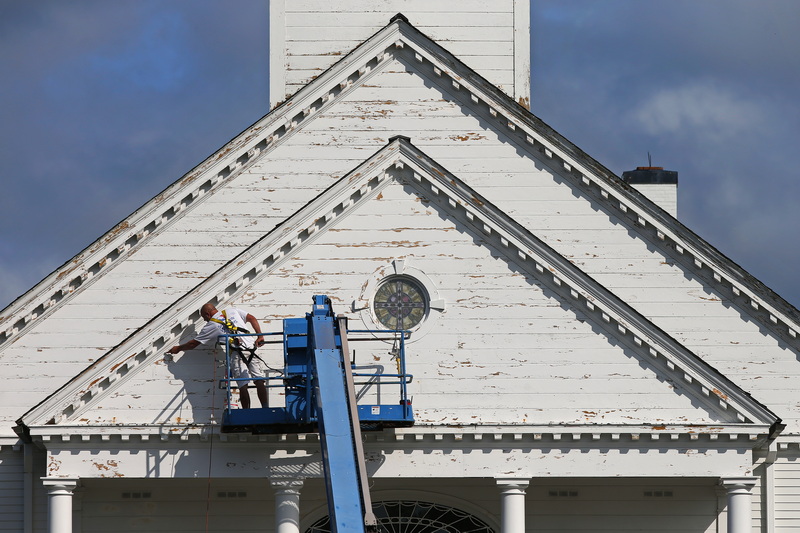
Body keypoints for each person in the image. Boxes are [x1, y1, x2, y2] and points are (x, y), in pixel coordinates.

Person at [168, 303, 268, 409]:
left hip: (237, 354)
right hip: (251, 348)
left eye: (204, 318)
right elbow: (252, 318)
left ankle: (246, 412)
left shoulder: (211, 325)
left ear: (207, 314)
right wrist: (260, 336)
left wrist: (178, 349)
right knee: (259, 380)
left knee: (242, 384)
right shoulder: (231, 311)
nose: (205, 321)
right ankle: (265, 408)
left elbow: (193, 344)